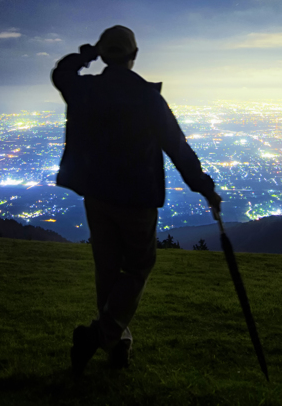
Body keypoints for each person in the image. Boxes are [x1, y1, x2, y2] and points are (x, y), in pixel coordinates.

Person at [51, 25, 222, 378]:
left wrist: (88, 53)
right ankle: (104, 336)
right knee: (138, 268)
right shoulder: (147, 98)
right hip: (137, 200)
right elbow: (178, 148)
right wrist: (204, 186)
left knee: (107, 270)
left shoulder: (85, 90)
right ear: (134, 55)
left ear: (105, 52)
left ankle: (116, 344)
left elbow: (61, 72)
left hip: (96, 195)